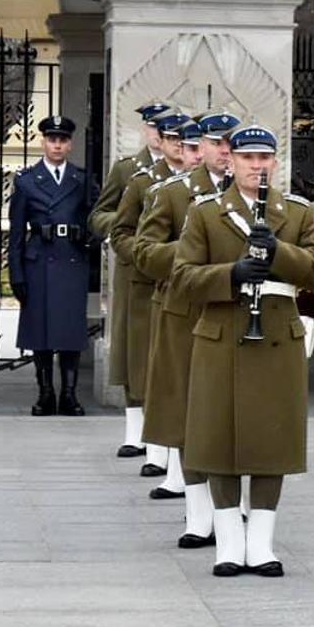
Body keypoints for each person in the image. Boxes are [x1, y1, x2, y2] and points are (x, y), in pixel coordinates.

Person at [172, 125, 314, 577]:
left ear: (275, 162)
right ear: (232, 160)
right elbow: (182, 278)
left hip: (276, 335)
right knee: (217, 438)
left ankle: (261, 543)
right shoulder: (206, 212)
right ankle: (228, 542)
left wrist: (278, 251)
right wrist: (231, 274)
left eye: (264, 159)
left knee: (271, 440)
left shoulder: (295, 212)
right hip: (222, 333)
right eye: (247, 158)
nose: (256, 167)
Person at [131, 113, 235, 539]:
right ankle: (198, 515)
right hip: (186, 312)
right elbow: (144, 253)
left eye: (230, 145)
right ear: (200, 147)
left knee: (233, 414)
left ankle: (237, 509)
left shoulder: (258, 197)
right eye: (215, 143)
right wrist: (196, 250)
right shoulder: (172, 193)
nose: (224, 152)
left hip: (236, 313)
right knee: (189, 415)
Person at [118, 110, 201, 493]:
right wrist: (148, 258)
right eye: (186, 145)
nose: (190, 152)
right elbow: (123, 231)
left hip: (209, 295)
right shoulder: (148, 183)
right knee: (159, 374)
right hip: (160, 288)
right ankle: (160, 457)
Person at [95, 100, 170, 457]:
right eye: (154, 127)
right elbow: (100, 215)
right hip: (134, 270)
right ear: (146, 130)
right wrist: (132, 227)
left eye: (166, 130)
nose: (158, 135)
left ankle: (162, 435)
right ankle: (134, 431)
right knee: (133, 350)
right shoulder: (127, 170)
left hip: (169, 267)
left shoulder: (186, 170)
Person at [8, 115, 97, 416]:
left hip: (72, 259)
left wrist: (91, 238)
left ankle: (69, 394)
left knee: (70, 331)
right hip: (39, 262)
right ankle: (45, 393)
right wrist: (16, 273)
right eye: (52, 139)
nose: (57, 145)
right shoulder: (26, 180)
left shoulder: (82, 179)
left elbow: (98, 218)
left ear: (70, 144)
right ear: (43, 142)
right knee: (41, 331)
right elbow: (16, 234)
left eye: (62, 140)